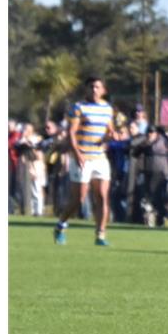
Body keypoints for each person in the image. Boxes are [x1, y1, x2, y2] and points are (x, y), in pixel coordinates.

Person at [54, 78, 115, 246]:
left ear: (103, 90)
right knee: (79, 198)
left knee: (102, 196)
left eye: (97, 87)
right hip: (82, 157)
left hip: (100, 158)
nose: (94, 90)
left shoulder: (108, 109)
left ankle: (100, 235)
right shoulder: (79, 107)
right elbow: (72, 132)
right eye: (91, 87)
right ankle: (61, 224)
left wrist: (112, 135)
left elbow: (109, 130)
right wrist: (78, 153)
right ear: (86, 89)